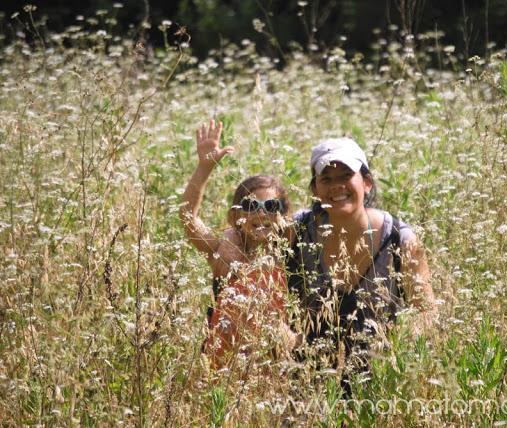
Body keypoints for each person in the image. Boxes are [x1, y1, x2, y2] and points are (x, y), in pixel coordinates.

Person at [287, 137, 436, 391]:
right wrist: (289, 341)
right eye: (326, 179)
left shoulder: (399, 238)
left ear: (366, 183)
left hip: (380, 380)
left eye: (346, 175)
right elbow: (256, 281)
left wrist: (400, 349)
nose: (337, 186)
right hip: (306, 380)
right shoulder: (295, 231)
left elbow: (427, 311)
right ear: (315, 189)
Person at [180, 118, 294, 370]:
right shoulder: (222, 249)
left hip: (273, 364)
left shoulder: (290, 250)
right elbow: (188, 217)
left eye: (271, 206)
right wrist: (204, 167)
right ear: (235, 215)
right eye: (251, 206)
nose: (261, 214)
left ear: (283, 214)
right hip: (224, 364)